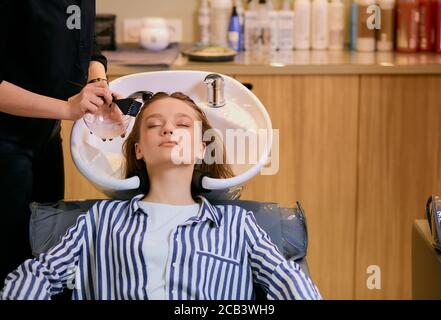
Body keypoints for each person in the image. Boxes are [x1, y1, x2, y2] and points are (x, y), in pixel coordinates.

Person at [1, 92, 322, 300]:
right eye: (154, 125)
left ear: (201, 149)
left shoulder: (238, 225)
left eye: (182, 125)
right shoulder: (99, 221)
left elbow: (287, 281)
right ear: (139, 149)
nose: (168, 130)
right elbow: (39, 274)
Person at [0, 1, 114, 282]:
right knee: (10, 257)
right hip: (6, 140)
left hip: (46, 135)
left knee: (46, 247)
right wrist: (66, 109)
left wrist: (98, 82)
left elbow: (89, 45)